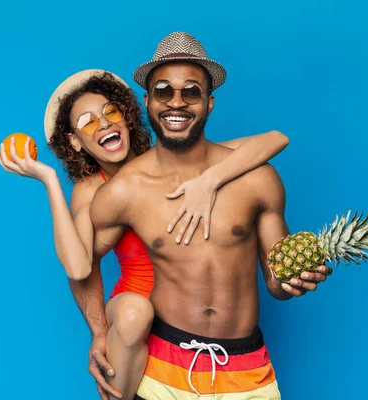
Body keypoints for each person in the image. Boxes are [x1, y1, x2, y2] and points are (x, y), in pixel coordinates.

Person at [0, 68, 291, 399]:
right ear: (75, 142)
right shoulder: (93, 191)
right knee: (137, 314)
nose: (104, 124)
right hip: (137, 314)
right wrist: (49, 180)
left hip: (188, 327)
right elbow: (80, 267)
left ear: (128, 117)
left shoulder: (170, 154)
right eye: (88, 123)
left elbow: (274, 139)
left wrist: (211, 179)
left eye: (110, 112)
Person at [89, 32, 332, 400]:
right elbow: (82, 263)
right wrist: (98, 333)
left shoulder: (258, 179)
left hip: (246, 371)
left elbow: (275, 283)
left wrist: (292, 282)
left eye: (191, 92)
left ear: (209, 103)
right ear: (147, 101)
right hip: (162, 370)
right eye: (163, 91)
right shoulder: (126, 189)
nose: (177, 103)